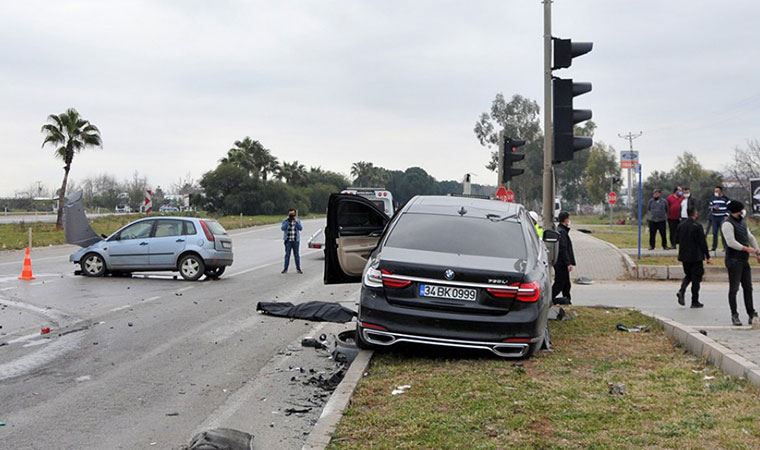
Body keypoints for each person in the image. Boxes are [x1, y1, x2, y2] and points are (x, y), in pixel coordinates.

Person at [720, 201, 760, 326]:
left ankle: (751, 313)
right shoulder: (727, 224)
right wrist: (747, 249)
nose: (743, 212)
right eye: (741, 210)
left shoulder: (742, 222)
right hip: (733, 260)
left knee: (748, 287)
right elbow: (731, 242)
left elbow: (750, 237)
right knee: (734, 288)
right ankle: (734, 315)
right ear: (736, 211)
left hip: (744, 260)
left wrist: (757, 251)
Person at [676, 206, 710, 308]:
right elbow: (702, 242)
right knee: (696, 278)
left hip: (684, 255)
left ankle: (682, 290)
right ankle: (694, 301)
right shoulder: (697, 226)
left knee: (689, 275)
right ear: (694, 213)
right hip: (696, 256)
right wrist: (707, 256)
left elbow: (676, 239)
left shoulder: (681, 225)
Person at [552, 212, 576, 304]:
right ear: (566, 219)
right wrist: (568, 263)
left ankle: (567, 300)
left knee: (566, 284)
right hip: (561, 263)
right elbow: (563, 249)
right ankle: (548, 299)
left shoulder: (562, 230)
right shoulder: (562, 231)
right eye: (568, 219)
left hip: (561, 263)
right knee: (559, 284)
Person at [281, 208, 303, 274]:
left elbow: (300, 228)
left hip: (295, 240)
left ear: (295, 214)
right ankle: (285, 269)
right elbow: (282, 228)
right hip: (288, 241)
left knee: (296, 255)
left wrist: (295, 221)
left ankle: (298, 269)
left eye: (293, 214)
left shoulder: (297, 220)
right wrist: (288, 221)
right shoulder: (285, 220)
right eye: (290, 214)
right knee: (287, 255)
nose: (291, 215)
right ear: (288, 214)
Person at [708, 186, 730, 251]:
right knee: (714, 233)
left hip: (722, 218)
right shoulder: (712, 198)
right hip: (714, 217)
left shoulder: (726, 199)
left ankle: (725, 247)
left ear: (721, 191)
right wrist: (713, 207)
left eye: (717, 191)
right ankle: (714, 247)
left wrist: (726, 215)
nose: (716, 192)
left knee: (723, 233)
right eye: (715, 191)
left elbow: (729, 208)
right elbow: (709, 207)